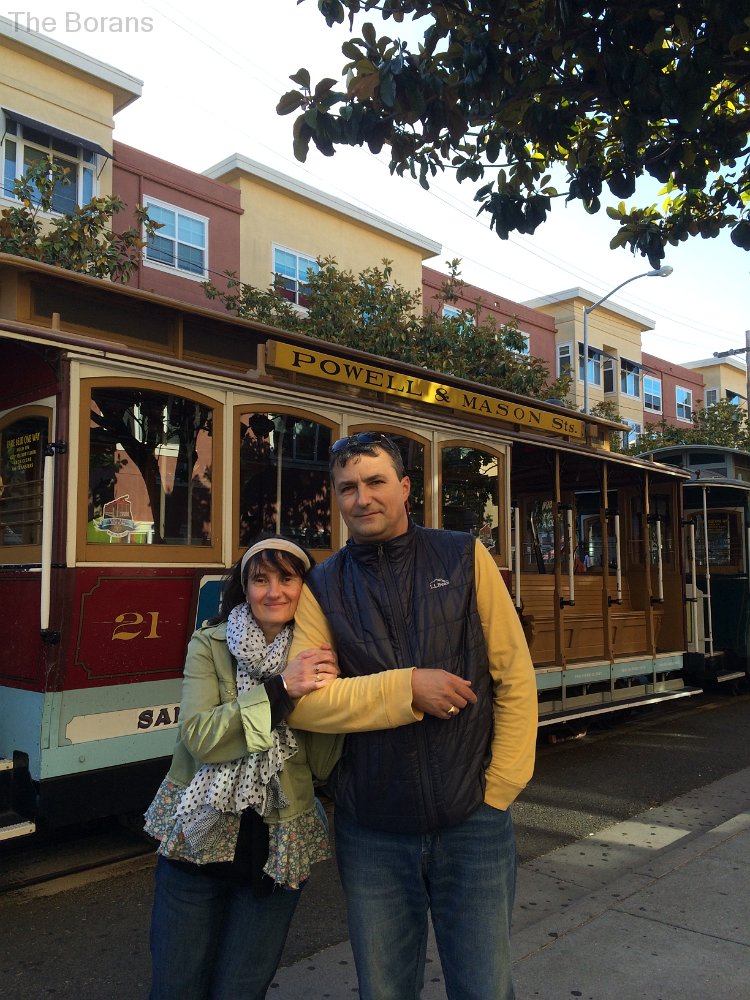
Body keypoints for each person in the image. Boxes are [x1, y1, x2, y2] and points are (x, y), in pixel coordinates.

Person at [145, 533, 467, 1000]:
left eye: (287, 579)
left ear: (306, 589)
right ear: (244, 587)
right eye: (260, 579)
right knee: (175, 986)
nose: (273, 592)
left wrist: (334, 695)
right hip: (196, 841)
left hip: (275, 848)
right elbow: (201, 737)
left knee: (241, 989)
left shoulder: (319, 656)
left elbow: (321, 765)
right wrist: (282, 689)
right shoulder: (210, 644)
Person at [287, 432, 538, 1000]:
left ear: (405, 488)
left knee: (484, 988)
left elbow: (514, 676)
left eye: (375, 482)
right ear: (336, 497)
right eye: (347, 488)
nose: (362, 498)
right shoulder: (321, 586)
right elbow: (308, 704)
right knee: (384, 991)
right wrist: (407, 687)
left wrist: (500, 789)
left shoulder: (464, 554)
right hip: (371, 829)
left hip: (473, 821)